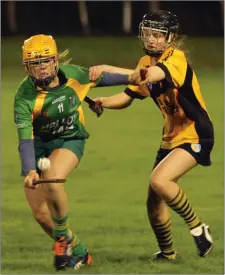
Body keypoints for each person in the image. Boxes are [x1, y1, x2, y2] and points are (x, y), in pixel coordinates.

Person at [89, 10, 214, 261]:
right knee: (154, 204)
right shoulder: (145, 61)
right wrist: (104, 101)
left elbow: (149, 76)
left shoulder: (175, 59)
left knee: (160, 181)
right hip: (170, 138)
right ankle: (167, 254)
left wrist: (106, 69)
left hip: (195, 133)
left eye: (158, 35)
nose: (152, 39)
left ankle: (199, 229)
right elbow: (129, 96)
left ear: (170, 38)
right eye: (148, 33)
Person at [14, 34, 133, 271]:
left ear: (56, 60)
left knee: (53, 181)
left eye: (45, 61)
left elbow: (107, 78)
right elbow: (25, 139)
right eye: (34, 63)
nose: (40, 68)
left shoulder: (73, 74)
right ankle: (78, 251)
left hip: (70, 139)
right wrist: (29, 169)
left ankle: (61, 243)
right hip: (39, 145)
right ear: (26, 67)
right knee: (40, 214)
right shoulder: (24, 96)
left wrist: (136, 77)